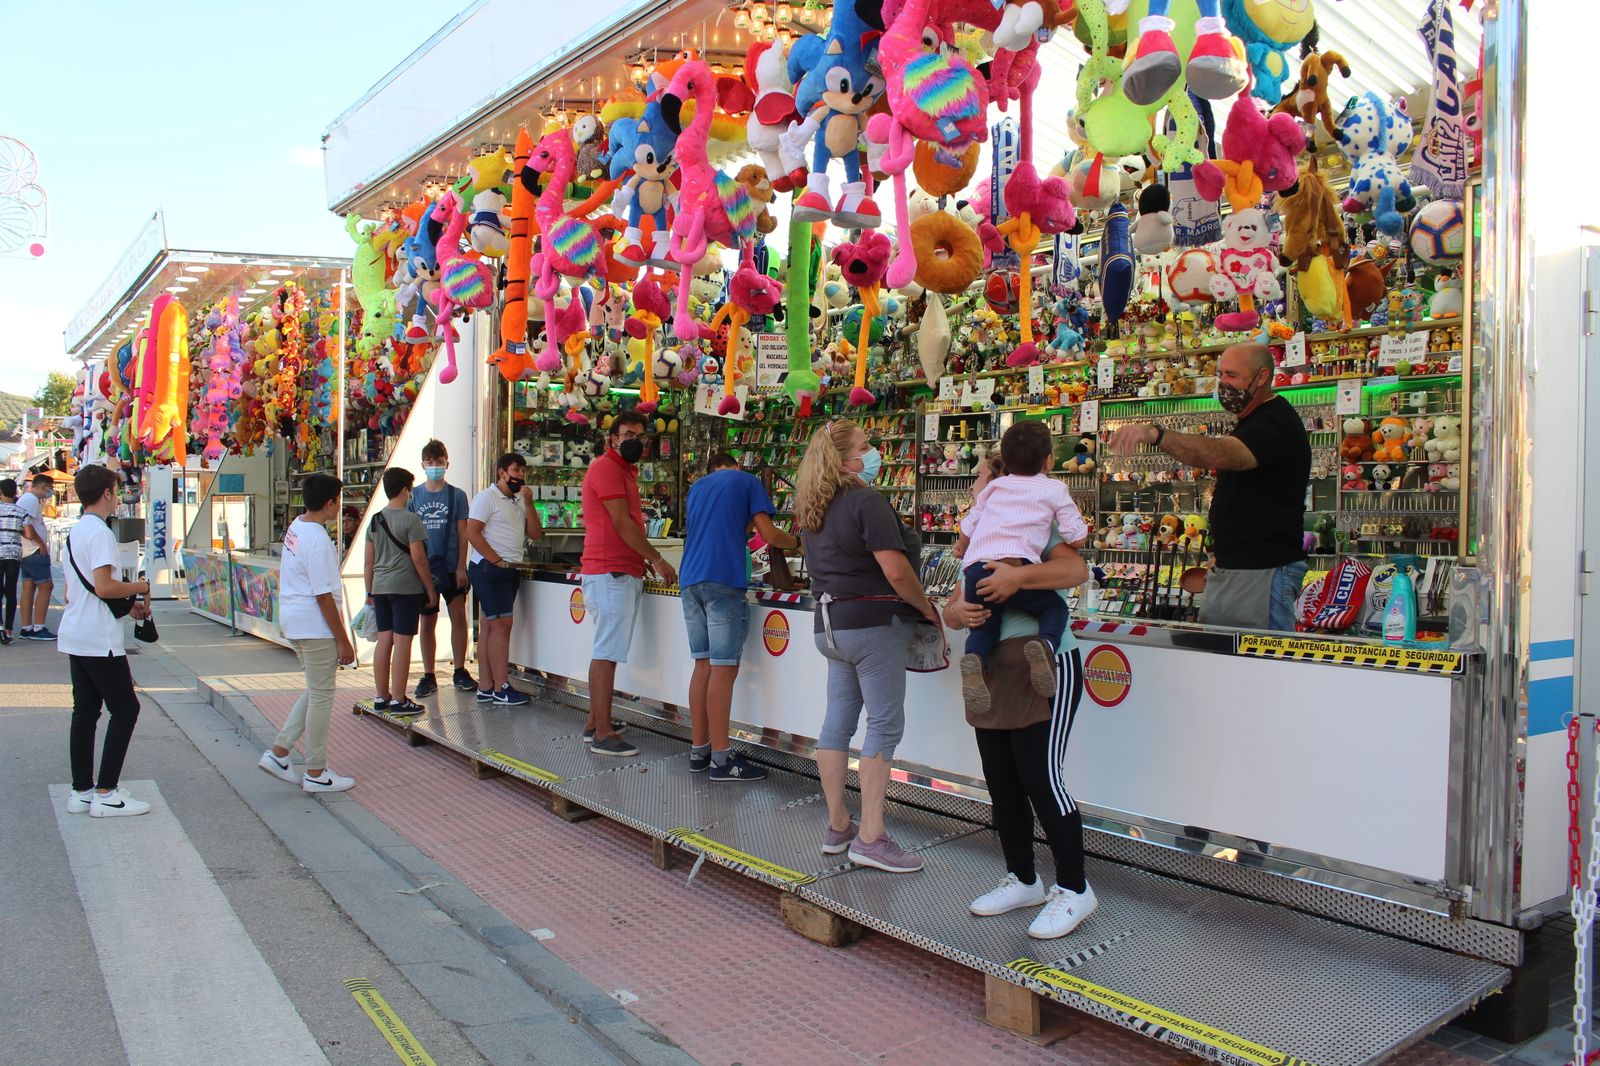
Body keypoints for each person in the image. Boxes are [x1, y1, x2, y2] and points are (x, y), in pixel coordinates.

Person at [945, 456, 1099, 939]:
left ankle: (1075, 889)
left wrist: (1017, 578)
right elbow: (952, 606)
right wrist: (958, 612)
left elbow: (1075, 570)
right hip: (992, 670)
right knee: (1002, 780)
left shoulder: (1037, 520)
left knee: (1040, 776)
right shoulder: (982, 530)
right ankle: (1024, 878)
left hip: (1046, 666)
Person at [795, 419, 940, 873]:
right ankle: (872, 836)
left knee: (837, 723)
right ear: (844, 460)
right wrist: (928, 610)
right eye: (864, 446)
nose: (872, 451)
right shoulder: (867, 502)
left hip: (830, 627)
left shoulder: (813, 507)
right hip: (876, 626)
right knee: (883, 724)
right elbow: (897, 572)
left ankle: (838, 823)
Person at [1108, 342, 1311, 630]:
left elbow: (1220, 453)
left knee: (1262, 665)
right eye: (1220, 374)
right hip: (1239, 570)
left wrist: (1156, 435)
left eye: (1232, 375)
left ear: (1262, 377)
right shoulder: (1252, 420)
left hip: (1262, 572)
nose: (1223, 383)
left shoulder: (1274, 421)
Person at [678, 452, 799, 780]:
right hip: (722, 580)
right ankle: (721, 759)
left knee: (702, 665)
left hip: (689, 580)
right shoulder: (748, 482)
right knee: (723, 669)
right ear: (739, 466)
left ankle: (699, 750)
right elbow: (769, 535)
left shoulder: (698, 487)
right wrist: (800, 543)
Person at [954, 421, 1088, 711]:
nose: (973, 482)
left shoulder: (991, 497)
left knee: (985, 631)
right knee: (1054, 609)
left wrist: (964, 547)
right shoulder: (1053, 490)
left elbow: (1076, 570)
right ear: (1049, 460)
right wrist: (957, 609)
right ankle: (1044, 647)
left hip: (979, 569)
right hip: (1014, 561)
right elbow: (1076, 540)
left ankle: (974, 659)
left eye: (978, 476)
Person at [580, 412, 677, 757]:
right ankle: (603, 733)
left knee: (608, 651)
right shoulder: (607, 469)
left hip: (619, 569)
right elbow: (621, 523)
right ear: (612, 439)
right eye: (628, 434)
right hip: (611, 571)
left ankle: (596, 722)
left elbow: (625, 524)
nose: (634, 439)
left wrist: (641, 559)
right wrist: (657, 558)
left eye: (639, 434)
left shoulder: (623, 471)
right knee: (607, 653)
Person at [59, 465, 154, 818]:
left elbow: (79, 590)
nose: (117, 497)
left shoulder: (77, 532)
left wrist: (127, 609)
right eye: (116, 490)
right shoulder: (99, 533)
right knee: (126, 708)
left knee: (85, 713)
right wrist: (140, 588)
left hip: (77, 632)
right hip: (99, 639)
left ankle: (82, 790)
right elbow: (104, 586)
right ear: (107, 494)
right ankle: (107, 791)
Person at [260, 473, 360, 793]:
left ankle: (280, 751)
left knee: (316, 689)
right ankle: (316, 771)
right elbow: (323, 596)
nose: (339, 508)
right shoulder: (318, 539)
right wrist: (343, 639)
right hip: (315, 625)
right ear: (330, 503)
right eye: (338, 501)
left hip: (295, 621)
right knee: (322, 696)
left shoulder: (297, 526)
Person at [466, 452, 544, 705]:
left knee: (491, 625)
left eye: (523, 471)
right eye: (516, 470)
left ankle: (487, 685)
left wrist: (529, 504)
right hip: (490, 569)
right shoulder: (486, 498)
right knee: (501, 626)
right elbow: (472, 532)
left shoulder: (518, 501)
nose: (520, 476)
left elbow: (535, 533)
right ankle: (502, 687)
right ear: (502, 472)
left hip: (510, 567)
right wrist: (494, 559)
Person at [362, 468, 437, 713]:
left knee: (384, 640)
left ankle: (381, 696)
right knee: (403, 642)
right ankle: (399, 699)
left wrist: (369, 591)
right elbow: (418, 558)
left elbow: (368, 561)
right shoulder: (411, 519)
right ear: (405, 490)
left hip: (380, 588)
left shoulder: (375, 520)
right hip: (405, 588)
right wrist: (430, 589)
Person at [408, 439, 475, 697]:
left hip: (451, 567)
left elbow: (463, 533)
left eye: (439, 462)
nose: (435, 466)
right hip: (426, 569)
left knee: (459, 616)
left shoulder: (457, 496)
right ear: (423, 464)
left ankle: (459, 669)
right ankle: (428, 674)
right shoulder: (414, 496)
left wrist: (461, 567)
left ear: (447, 463)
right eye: (430, 462)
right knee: (428, 622)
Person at [18, 472, 56, 640]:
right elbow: (24, 526)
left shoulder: (27, 500)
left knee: (29, 586)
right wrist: (39, 542)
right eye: (50, 488)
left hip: (26, 551)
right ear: (43, 487)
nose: (50, 492)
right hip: (34, 551)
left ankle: (26, 627)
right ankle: (38, 627)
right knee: (46, 586)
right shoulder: (31, 500)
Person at [0, 478, 22, 645]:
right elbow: (28, 533)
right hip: (13, 556)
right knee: (11, 592)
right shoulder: (20, 511)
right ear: (15, 493)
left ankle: (0, 628)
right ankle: (8, 630)